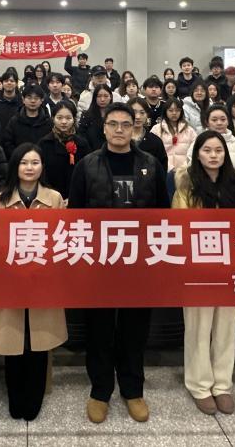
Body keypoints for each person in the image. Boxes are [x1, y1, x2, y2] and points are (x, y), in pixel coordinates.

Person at [68, 102, 170, 424]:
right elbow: (75, 219)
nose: (119, 130)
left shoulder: (151, 165)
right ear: (104, 128)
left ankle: (132, 390)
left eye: (126, 124)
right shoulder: (86, 166)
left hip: (139, 263)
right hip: (99, 263)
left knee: (134, 330)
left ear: (135, 128)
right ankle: (100, 391)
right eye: (113, 124)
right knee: (99, 330)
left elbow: (163, 215)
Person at [173, 130, 235, 415]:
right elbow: (180, 226)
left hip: (232, 266)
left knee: (226, 327)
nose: (213, 155)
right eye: (207, 150)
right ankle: (199, 385)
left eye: (218, 150)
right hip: (199, 268)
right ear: (197, 154)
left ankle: (222, 384)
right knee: (199, 327)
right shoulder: (186, 185)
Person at [0, 143, 68, 420]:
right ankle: (15, 394)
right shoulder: (0, 200)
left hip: (43, 281)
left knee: (39, 340)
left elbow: (62, 239)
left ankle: (35, 395)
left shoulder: (54, 199)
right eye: (24, 162)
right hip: (10, 281)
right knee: (13, 340)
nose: (29, 168)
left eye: (35, 162)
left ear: (42, 167)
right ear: (15, 166)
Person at [189, 104, 235, 187]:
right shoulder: (197, 144)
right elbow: (191, 171)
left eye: (223, 119)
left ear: (228, 121)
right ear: (207, 122)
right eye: (214, 120)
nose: (219, 123)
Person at [36, 100, 89, 201]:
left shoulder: (82, 144)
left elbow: (86, 174)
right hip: (49, 198)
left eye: (68, 118)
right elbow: (40, 174)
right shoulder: (44, 143)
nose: (64, 122)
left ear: (74, 119)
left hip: (76, 198)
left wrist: (74, 197)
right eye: (59, 118)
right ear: (53, 118)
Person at [2, 84, 52, 153]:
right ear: (23, 99)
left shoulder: (48, 122)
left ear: (42, 100)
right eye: (29, 98)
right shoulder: (14, 121)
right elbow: (7, 143)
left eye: (36, 98)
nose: (33, 101)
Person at [151, 98, 197, 172]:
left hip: (184, 171)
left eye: (177, 110)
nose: (174, 113)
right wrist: (170, 168)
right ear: (165, 111)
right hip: (164, 170)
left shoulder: (189, 130)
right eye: (170, 110)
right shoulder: (156, 129)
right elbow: (154, 151)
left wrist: (184, 167)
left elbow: (194, 149)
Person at [127, 97, 168, 172]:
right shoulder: (118, 139)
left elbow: (161, 170)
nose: (138, 117)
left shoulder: (156, 142)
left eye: (142, 113)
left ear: (147, 115)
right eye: (134, 112)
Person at [76, 85, 114, 152]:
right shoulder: (87, 115)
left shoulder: (115, 115)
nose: (102, 99)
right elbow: (81, 135)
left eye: (106, 96)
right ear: (94, 98)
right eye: (99, 96)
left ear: (110, 97)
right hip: (90, 152)